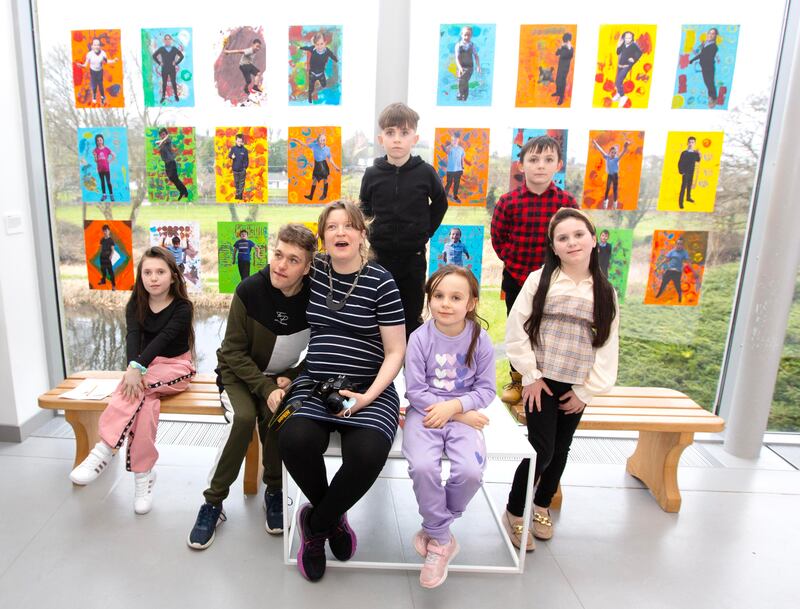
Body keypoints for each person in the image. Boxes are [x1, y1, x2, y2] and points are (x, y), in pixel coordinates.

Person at [278, 201, 406, 582]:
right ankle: (331, 519)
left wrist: (368, 397)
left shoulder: (382, 281)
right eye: (331, 227)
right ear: (323, 237)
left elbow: (396, 350)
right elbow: (274, 280)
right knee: (294, 439)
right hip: (315, 382)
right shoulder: (314, 270)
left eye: (348, 226)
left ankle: (314, 525)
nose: (340, 233)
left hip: (370, 389)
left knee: (367, 453)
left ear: (362, 235)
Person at [188, 225, 317, 550]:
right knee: (244, 419)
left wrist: (294, 374)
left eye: (293, 260)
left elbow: (320, 347)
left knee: (277, 417)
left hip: (278, 379)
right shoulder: (250, 290)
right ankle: (213, 503)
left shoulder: (315, 296)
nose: (281, 265)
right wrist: (264, 386)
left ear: (307, 267)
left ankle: (273, 491)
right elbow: (231, 352)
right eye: (278, 255)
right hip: (238, 374)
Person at [504, 208, 619, 550]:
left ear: (594, 239)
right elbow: (516, 329)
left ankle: (542, 505)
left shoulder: (604, 290)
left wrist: (587, 391)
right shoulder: (539, 280)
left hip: (576, 386)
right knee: (541, 448)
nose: (572, 243)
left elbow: (608, 344)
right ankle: (514, 509)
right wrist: (530, 375)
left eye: (578, 235)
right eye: (563, 238)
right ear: (553, 247)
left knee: (562, 448)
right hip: (540, 381)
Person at [69, 247, 196, 514]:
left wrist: (136, 369)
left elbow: (163, 339)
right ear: (141, 277)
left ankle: (104, 448)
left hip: (176, 367)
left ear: (173, 276)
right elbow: (132, 338)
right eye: (147, 272)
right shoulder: (135, 303)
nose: (153, 278)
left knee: (138, 387)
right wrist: (132, 367)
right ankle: (143, 476)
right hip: (145, 370)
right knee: (145, 400)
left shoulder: (183, 307)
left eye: (160, 272)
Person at [403, 265, 494, 588]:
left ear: (470, 303)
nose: (445, 303)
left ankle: (435, 527)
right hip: (424, 414)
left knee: (470, 471)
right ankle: (442, 542)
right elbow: (414, 390)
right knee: (423, 465)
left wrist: (456, 408)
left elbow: (486, 390)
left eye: (455, 297)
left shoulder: (480, 340)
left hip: (462, 415)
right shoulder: (419, 338)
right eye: (438, 296)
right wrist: (456, 413)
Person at [491, 135, 578, 406]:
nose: (540, 165)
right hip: (517, 277)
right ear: (521, 165)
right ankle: (518, 379)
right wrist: (514, 264)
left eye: (548, 160)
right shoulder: (508, 202)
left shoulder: (566, 203)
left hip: (555, 280)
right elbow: (498, 237)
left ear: (558, 165)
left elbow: (574, 240)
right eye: (534, 159)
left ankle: (547, 381)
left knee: (550, 329)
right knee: (519, 329)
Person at [360, 102, 447, 339]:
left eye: (404, 133)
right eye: (391, 133)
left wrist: (425, 231)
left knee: (411, 314)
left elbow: (440, 203)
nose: (397, 139)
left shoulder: (425, 172)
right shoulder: (372, 174)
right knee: (378, 314)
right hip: (379, 256)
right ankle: (380, 373)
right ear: (381, 138)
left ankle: (413, 371)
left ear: (414, 138)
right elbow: (364, 207)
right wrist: (371, 234)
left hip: (413, 258)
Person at [291, 133, 340, 202]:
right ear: (318, 140)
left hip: (323, 165)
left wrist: (336, 167)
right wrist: (296, 140)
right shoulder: (314, 145)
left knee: (325, 179)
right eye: (322, 139)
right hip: (317, 165)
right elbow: (304, 144)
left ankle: (324, 194)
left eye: (324, 139)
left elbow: (330, 159)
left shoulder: (327, 149)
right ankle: (311, 195)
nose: (323, 140)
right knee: (314, 180)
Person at [75, 37, 118, 105]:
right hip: (93, 71)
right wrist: (81, 65)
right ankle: (94, 96)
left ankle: (103, 97)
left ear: (100, 46)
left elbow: (106, 61)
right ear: (92, 46)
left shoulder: (103, 53)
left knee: (100, 85)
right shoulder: (89, 54)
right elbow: (85, 64)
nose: (96, 46)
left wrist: (113, 61)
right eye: (95, 45)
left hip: (99, 71)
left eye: (98, 45)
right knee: (94, 85)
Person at [298, 32, 338, 104]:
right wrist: (300, 47)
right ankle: (309, 98)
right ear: (315, 44)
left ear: (325, 43)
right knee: (311, 87)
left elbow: (332, 55)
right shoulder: (313, 49)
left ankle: (322, 85)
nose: (319, 47)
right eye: (317, 44)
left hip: (321, 73)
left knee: (324, 84)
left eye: (321, 44)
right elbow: (306, 48)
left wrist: (336, 60)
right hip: (312, 73)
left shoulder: (327, 51)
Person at [592, 138, 630, 209]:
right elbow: (600, 150)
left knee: (615, 190)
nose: (613, 154)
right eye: (612, 152)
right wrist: (595, 143)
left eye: (615, 153)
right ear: (610, 152)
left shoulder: (616, 159)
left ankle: (615, 203)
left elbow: (623, 152)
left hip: (615, 176)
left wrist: (626, 146)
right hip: (609, 175)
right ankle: (605, 202)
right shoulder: (607, 157)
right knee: (607, 189)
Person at [655, 236, 694, 303]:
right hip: (669, 271)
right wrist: (658, 266)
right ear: (676, 244)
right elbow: (666, 260)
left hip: (677, 272)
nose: (679, 245)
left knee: (677, 286)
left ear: (683, 245)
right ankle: (658, 295)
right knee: (663, 284)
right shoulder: (672, 251)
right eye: (678, 244)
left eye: (681, 244)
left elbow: (688, 261)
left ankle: (680, 297)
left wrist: (693, 270)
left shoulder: (684, 252)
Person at [155, 128, 189, 201]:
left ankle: (185, 192)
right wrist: (161, 141)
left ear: (166, 135)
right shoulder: (161, 142)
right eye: (161, 135)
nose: (162, 136)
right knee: (172, 179)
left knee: (174, 178)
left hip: (171, 162)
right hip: (166, 163)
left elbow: (166, 139)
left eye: (163, 134)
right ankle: (182, 191)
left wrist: (166, 137)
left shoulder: (168, 140)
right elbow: (156, 142)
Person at [690, 27, 719, 108]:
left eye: (713, 34)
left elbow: (705, 56)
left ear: (715, 36)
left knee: (710, 83)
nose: (710, 35)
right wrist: (692, 60)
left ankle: (713, 98)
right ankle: (711, 97)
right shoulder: (705, 44)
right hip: (704, 67)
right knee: (707, 82)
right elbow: (701, 54)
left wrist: (701, 56)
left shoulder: (713, 46)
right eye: (709, 33)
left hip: (708, 67)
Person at [152, 34, 184, 104]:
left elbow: (181, 56)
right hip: (164, 69)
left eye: (168, 39)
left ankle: (176, 95)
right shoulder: (161, 49)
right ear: (164, 41)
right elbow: (154, 56)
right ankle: (163, 97)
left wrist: (176, 63)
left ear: (171, 40)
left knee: (173, 82)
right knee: (164, 83)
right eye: (166, 39)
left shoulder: (174, 49)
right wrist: (159, 63)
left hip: (172, 69)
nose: (167, 40)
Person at [613, 31, 642, 106]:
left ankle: (623, 96)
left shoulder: (634, 45)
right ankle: (619, 94)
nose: (628, 39)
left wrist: (634, 58)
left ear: (632, 38)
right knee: (617, 82)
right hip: (620, 65)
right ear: (624, 38)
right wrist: (619, 45)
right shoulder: (623, 43)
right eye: (626, 38)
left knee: (619, 81)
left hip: (627, 66)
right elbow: (618, 52)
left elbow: (640, 52)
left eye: (629, 38)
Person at [454, 26, 481, 101]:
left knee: (463, 79)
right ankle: (464, 96)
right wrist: (459, 68)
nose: (467, 37)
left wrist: (478, 66)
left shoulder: (472, 45)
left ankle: (461, 94)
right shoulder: (458, 45)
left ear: (471, 36)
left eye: (469, 35)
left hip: (469, 67)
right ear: (461, 35)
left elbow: (476, 56)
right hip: (461, 66)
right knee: (463, 80)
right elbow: (457, 58)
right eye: (465, 35)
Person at [678, 136, 701, 208]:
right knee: (683, 187)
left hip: (692, 171)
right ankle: (680, 203)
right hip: (685, 172)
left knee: (689, 186)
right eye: (690, 142)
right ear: (687, 143)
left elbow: (698, 160)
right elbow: (680, 162)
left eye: (693, 142)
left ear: (694, 143)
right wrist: (681, 171)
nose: (691, 143)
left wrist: (699, 154)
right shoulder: (684, 153)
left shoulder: (695, 153)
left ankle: (688, 198)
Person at [92, 134, 115, 202]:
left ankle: (111, 195)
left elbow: (114, 155)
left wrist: (109, 161)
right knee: (102, 182)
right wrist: (95, 156)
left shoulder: (106, 149)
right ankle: (104, 195)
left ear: (103, 140)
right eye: (98, 140)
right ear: (96, 142)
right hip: (100, 169)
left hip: (106, 168)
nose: (99, 141)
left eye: (100, 140)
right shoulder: (95, 150)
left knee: (108, 182)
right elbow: (96, 161)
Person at [443, 133, 466, 203]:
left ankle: (455, 196)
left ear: (458, 140)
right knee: (449, 183)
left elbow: (462, 159)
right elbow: (447, 151)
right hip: (450, 170)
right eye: (453, 139)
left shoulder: (461, 149)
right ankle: (444, 196)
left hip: (458, 170)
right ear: (452, 139)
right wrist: (451, 145)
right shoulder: (449, 147)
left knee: (457, 184)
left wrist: (463, 167)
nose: (455, 140)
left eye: (456, 139)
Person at [553, 32, 574, 106]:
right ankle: (558, 92)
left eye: (565, 39)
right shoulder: (563, 47)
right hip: (560, 67)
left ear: (568, 40)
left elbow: (569, 56)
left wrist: (566, 47)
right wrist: (560, 47)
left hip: (565, 68)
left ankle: (561, 98)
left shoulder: (570, 48)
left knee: (562, 82)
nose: (564, 41)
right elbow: (557, 53)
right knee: (557, 80)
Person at [228, 133, 250, 201]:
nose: (239, 143)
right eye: (238, 141)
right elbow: (229, 155)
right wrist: (232, 156)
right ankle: (238, 194)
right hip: (235, 169)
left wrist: (245, 168)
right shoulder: (233, 148)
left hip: (242, 170)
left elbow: (247, 160)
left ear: (242, 141)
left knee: (241, 183)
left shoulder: (245, 150)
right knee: (236, 183)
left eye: (241, 141)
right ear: (236, 141)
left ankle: (239, 196)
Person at [97, 224, 116, 290]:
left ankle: (113, 285)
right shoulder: (102, 240)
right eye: (104, 231)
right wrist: (101, 254)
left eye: (106, 231)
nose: (105, 232)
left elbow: (113, 250)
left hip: (108, 258)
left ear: (109, 231)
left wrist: (110, 256)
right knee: (103, 270)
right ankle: (103, 281)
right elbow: (101, 248)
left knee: (110, 272)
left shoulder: (111, 240)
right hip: (102, 257)